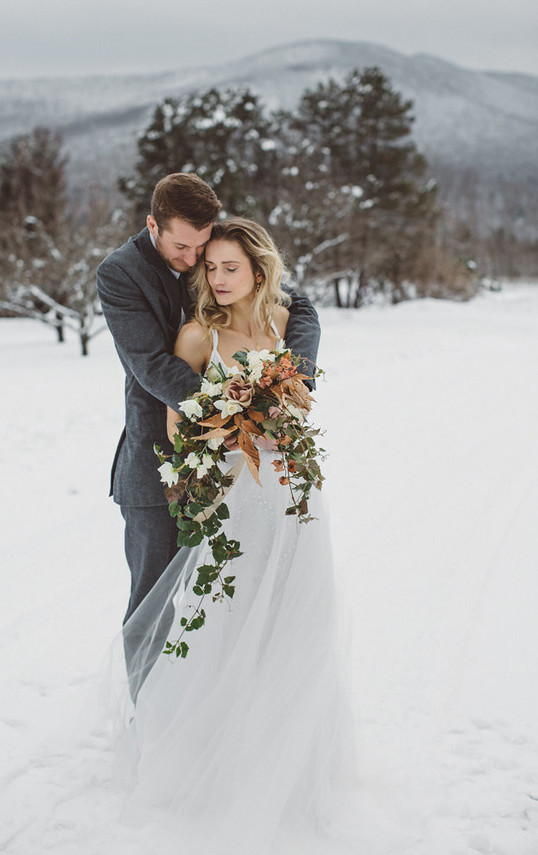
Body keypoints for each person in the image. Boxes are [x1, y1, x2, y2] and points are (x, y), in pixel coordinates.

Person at [115, 219, 353, 855]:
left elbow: (302, 402)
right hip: (234, 496)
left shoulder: (286, 325)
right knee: (228, 612)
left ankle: (288, 753)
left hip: (295, 495)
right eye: (209, 269)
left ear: (257, 269)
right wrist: (230, 423)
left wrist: (278, 405)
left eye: (229, 268)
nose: (217, 280)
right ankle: (213, 754)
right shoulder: (199, 334)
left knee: (294, 615)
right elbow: (177, 424)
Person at [96, 173, 321, 683]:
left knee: (238, 595)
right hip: (159, 466)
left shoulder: (217, 253)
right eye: (182, 247)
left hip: (243, 476)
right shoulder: (120, 273)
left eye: (203, 245)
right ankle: (149, 724)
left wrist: (289, 377)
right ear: (153, 225)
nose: (196, 260)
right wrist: (245, 407)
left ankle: (219, 717)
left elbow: (297, 304)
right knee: (155, 604)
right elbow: (153, 366)